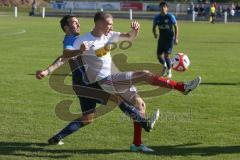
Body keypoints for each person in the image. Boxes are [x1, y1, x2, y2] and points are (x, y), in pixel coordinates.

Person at [36, 15, 159, 152]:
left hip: (83, 85)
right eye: (74, 23)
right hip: (86, 84)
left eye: (78, 22)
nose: (78, 25)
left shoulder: (78, 39)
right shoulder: (71, 40)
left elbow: (82, 54)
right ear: (66, 27)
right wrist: (48, 71)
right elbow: (65, 55)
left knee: (88, 118)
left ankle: (57, 137)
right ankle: (144, 123)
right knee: (117, 99)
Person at [66, 12, 201, 120]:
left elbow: (129, 37)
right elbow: (66, 54)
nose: (111, 27)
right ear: (99, 24)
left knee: (140, 104)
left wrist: (135, 30)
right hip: (105, 80)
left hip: (113, 78)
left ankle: (137, 144)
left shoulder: (110, 35)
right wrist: (80, 50)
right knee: (144, 74)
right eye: (109, 24)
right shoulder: (83, 40)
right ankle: (182, 87)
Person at [152, 1, 179, 78]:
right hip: (161, 39)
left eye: (164, 7)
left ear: (167, 8)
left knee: (166, 56)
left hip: (169, 39)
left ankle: (169, 71)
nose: (162, 8)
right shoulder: (157, 17)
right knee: (159, 56)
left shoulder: (170, 16)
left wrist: (176, 38)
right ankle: (164, 66)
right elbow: (154, 27)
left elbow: (176, 27)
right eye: (161, 7)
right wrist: (154, 33)